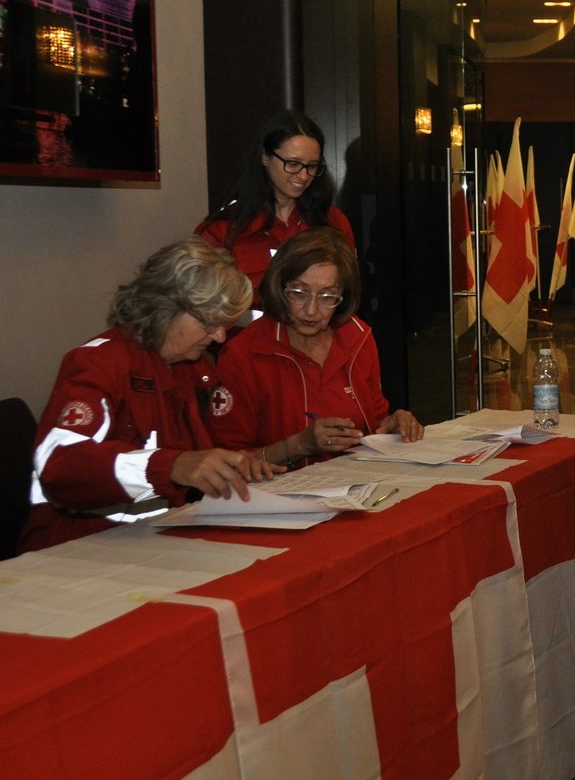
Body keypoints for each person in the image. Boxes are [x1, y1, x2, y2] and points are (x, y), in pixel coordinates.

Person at [20, 237, 274, 552]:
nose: (219, 336)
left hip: (148, 543)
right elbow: (58, 466)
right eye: (210, 322)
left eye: (225, 325)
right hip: (71, 550)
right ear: (165, 307)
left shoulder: (186, 368)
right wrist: (170, 466)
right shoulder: (98, 363)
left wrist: (225, 467)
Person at [209, 228, 420, 465]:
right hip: (276, 495)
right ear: (280, 288)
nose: (311, 310)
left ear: (343, 297)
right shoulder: (244, 354)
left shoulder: (357, 337)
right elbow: (226, 464)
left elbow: (374, 423)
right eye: (299, 293)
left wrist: (394, 426)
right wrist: (301, 445)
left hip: (357, 485)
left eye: (327, 296)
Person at [195, 110, 356, 301]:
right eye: (293, 164)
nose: (303, 176)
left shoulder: (332, 222)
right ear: (265, 156)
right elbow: (202, 305)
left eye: (312, 166)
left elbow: (347, 293)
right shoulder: (224, 228)